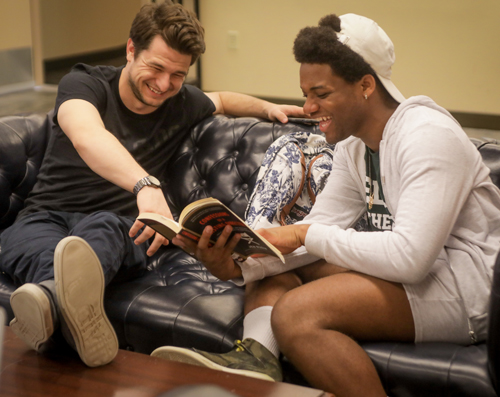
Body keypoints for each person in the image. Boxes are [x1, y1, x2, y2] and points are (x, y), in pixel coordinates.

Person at [150, 13, 500, 397]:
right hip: (422, 274)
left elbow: (410, 257)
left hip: (466, 289)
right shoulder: (355, 146)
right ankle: (257, 357)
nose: (309, 107)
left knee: (297, 314)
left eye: (321, 93)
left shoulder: (427, 136)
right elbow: (313, 235)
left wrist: (303, 232)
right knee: (282, 262)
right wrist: (236, 265)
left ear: (366, 85)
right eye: (306, 94)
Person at [0, 1, 304, 368]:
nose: (164, 85)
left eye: (178, 75)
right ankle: (61, 305)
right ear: (131, 50)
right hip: (42, 219)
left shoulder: (181, 103)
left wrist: (268, 108)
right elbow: (87, 135)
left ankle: (47, 305)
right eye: (156, 67)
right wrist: (145, 185)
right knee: (44, 254)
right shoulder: (84, 84)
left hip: (121, 228)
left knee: (105, 229)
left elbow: (221, 99)